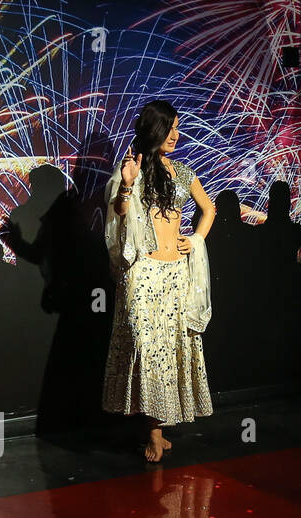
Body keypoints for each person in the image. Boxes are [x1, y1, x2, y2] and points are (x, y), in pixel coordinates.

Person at [105, 100, 216, 461]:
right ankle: (153, 431)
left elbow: (209, 208)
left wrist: (195, 239)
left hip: (175, 276)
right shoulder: (132, 170)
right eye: (168, 129)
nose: (175, 135)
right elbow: (121, 212)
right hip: (143, 274)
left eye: (177, 128)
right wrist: (126, 186)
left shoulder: (181, 172)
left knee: (170, 352)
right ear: (153, 130)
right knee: (146, 348)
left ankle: (159, 427)